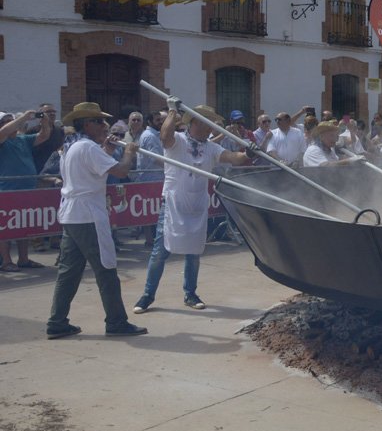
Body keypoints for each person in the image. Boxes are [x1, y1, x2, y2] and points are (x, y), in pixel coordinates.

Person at [132, 103, 256, 314]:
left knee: (194, 252)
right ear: (196, 122)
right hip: (173, 204)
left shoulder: (211, 147)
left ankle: (190, 293)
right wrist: (172, 110)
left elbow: (234, 158)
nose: (212, 128)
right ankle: (147, 295)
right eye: (208, 123)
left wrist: (249, 154)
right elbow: (164, 137)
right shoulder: (178, 140)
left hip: (197, 206)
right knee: (160, 252)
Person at [46, 102, 146, 338]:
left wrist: (107, 150)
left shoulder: (72, 146)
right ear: (87, 124)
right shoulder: (87, 147)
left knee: (68, 272)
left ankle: (57, 322)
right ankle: (116, 322)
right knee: (106, 269)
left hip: (72, 215)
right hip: (87, 215)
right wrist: (129, 153)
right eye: (99, 121)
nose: (105, 125)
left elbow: (93, 169)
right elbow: (121, 171)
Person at [1, 109, 52, 270]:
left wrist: (44, 122)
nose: (11, 124)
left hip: (26, 190)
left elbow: (44, 136)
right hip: (6, 191)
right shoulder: (2, 140)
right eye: (6, 121)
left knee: (23, 227)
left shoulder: (23, 139)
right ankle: (7, 261)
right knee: (4, 228)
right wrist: (23, 117)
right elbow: (4, 132)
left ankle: (23, 259)